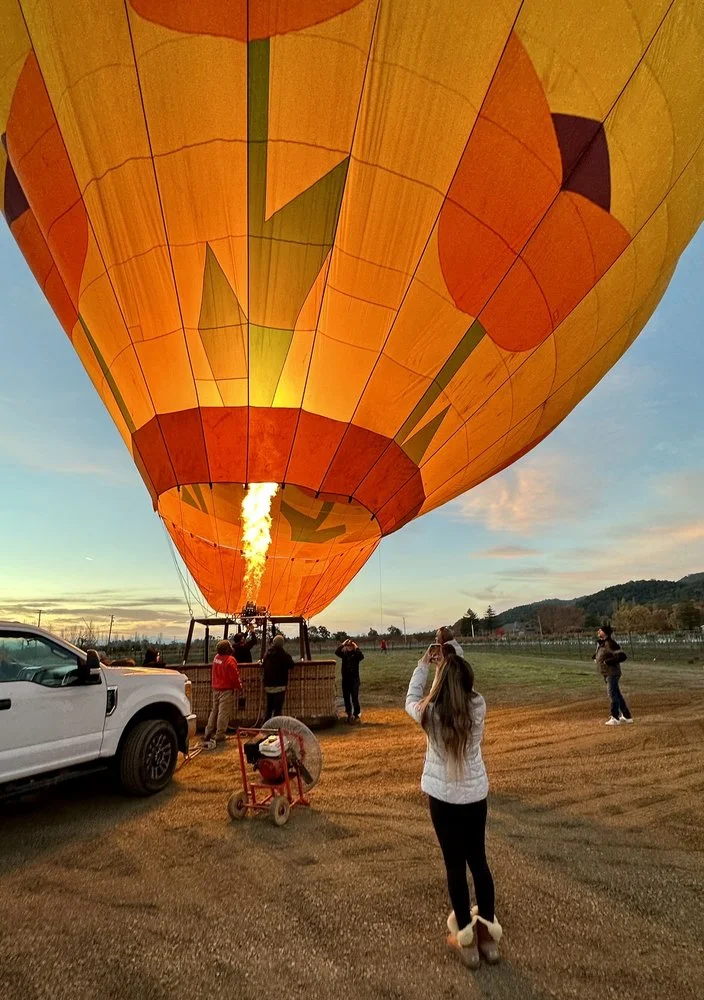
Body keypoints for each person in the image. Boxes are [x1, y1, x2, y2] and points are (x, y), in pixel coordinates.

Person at [406, 642, 501, 969]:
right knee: (479, 862)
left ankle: (467, 941)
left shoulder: (429, 713)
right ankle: (488, 938)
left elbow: (410, 700)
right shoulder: (479, 706)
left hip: (443, 799)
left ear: (442, 679)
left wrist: (424, 665)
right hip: (475, 796)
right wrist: (451, 657)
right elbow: (461, 677)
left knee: (454, 866)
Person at [203, 640, 242, 748]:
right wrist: (239, 687)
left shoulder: (216, 658)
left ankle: (208, 732)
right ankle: (220, 734)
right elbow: (234, 676)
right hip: (226, 689)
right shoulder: (230, 660)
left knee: (214, 710)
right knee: (223, 713)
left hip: (216, 688)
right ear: (228, 648)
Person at [593, 624, 633, 726]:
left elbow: (621, 656)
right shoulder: (602, 644)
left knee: (612, 695)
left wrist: (608, 662)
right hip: (606, 673)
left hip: (612, 673)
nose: (598, 632)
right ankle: (627, 716)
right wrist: (596, 657)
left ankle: (615, 717)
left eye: (600, 630)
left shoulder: (610, 643)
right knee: (617, 695)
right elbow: (604, 653)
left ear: (605, 633)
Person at [261, 635, 295, 720]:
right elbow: (291, 665)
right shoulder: (284, 655)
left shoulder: (267, 654)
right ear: (282, 644)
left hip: (268, 685)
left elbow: (263, 665)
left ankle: (266, 727)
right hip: (280, 686)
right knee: (278, 709)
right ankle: (276, 728)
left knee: (269, 709)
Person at [335, 639, 364, 724]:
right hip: (346, 680)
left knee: (355, 697)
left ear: (353, 646)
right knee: (346, 698)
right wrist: (342, 644)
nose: (349, 647)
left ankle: (356, 713)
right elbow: (337, 652)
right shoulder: (344, 654)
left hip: (354, 679)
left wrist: (356, 647)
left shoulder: (356, 654)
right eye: (347, 646)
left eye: (350, 646)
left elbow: (361, 656)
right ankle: (349, 713)